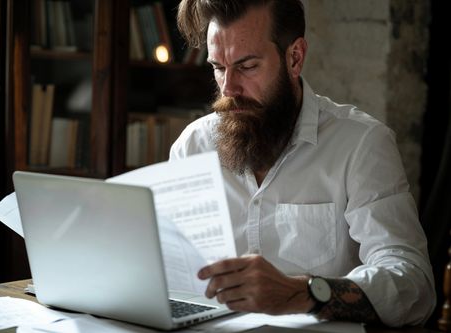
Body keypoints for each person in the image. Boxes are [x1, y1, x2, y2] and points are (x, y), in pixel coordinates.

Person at [169, 0, 436, 327]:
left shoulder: (360, 144)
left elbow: (413, 284)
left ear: (295, 57)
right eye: (219, 68)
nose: (228, 89)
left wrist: (303, 292)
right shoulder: (193, 146)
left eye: (248, 66)